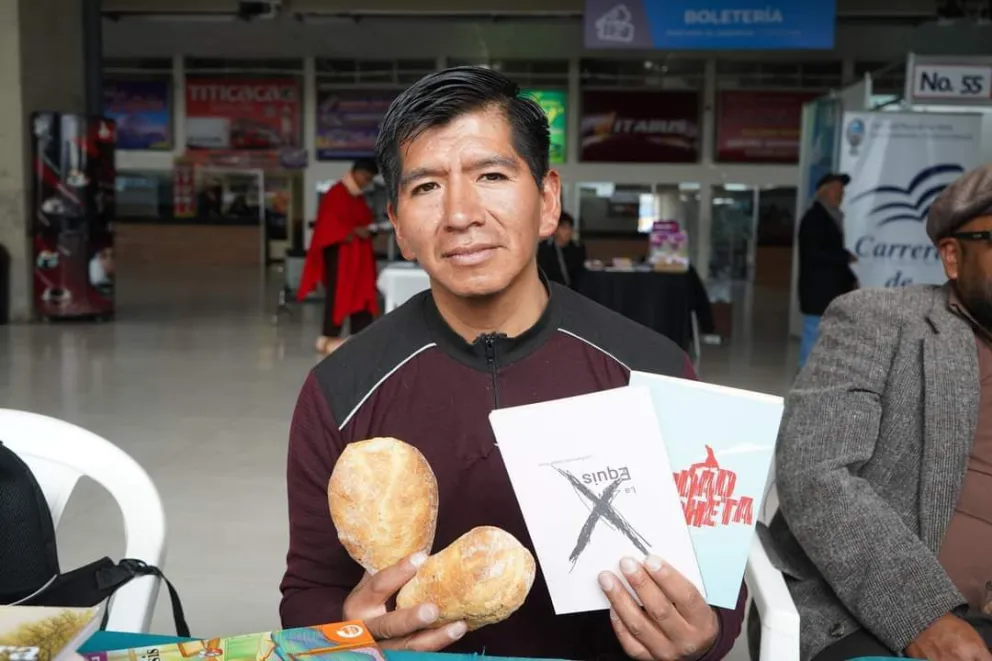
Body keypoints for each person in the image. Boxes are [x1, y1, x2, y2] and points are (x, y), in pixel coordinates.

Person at [280, 66, 746, 661]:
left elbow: (719, 598)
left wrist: (701, 639)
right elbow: (307, 592)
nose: (461, 214)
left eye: (492, 175)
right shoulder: (341, 390)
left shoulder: (651, 372)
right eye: (426, 188)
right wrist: (349, 628)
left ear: (548, 200)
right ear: (397, 226)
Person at [755, 163, 992, 661]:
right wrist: (920, 613)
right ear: (952, 256)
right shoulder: (880, 321)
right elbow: (815, 471)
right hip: (872, 618)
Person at [298, 159, 380, 355]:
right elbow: (327, 227)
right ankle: (329, 336)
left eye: (369, 180)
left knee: (362, 295)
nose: (366, 183)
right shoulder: (336, 194)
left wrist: (370, 229)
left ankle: (361, 336)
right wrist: (353, 232)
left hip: (358, 257)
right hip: (340, 257)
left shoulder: (356, 197)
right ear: (356, 172)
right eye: (365, 178)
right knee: (338, 295)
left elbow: (364, 220)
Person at [796, 172, 857, 368]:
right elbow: (815, 254)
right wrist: (844, 257)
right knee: (813, 332)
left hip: (828, 291)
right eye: (838, 190)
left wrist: (849, 277)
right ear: (826, 191)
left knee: (822, 335)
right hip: (817, 291)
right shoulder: (814, 219)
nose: (841, 195)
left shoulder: (831, 218)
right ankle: (804, 377)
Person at [537, 211, 586, 289]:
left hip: (573, 291)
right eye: (564, 228)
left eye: (570, 228)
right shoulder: (545, 249)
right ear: (555, 230)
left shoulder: (577, 249)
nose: (568, 231)